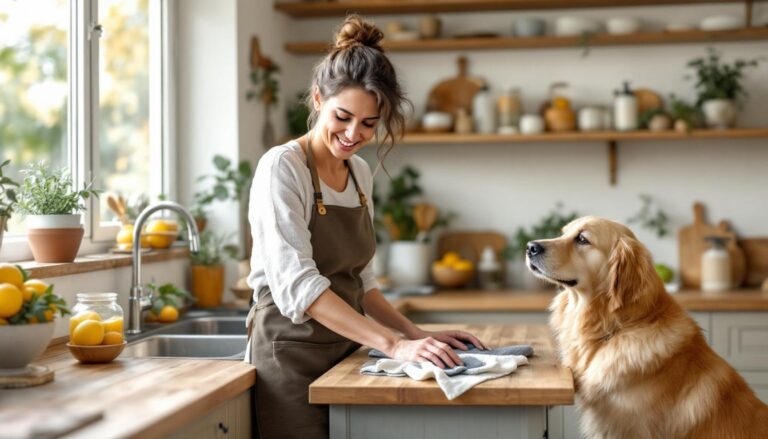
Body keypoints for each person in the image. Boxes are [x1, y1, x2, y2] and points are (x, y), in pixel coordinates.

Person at [245, 15, 487, 439]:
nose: (353, 134)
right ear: (318, 99)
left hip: (347, 353)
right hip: (289, 358)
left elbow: (363, 282)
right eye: (343, 116)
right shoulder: (283, 167)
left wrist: (415, 334)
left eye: (369, 124)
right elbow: (298, 284)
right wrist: (393, 345)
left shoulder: (358, 172)